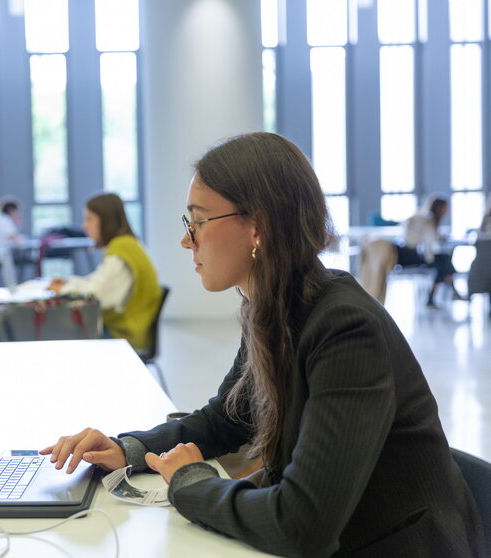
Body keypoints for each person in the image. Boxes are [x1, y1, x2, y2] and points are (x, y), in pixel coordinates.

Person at [41, 133, 485, 558]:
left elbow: (302, 525)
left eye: (197, 222)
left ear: (258, 227)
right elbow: (227, 418)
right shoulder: (275, 308)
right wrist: (129, 449)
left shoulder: (346, 328)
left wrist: (191, 482)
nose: (186, 240)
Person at [48, 193, 161, 352]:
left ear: (106, 220)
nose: (84, 226)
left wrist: (64, 289)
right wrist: (69, 284)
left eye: (89, 219)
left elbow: (98, 295)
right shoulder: (126, 245)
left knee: (57, 334)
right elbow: (97, 282)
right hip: (126, 328)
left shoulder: (121, 250)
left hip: (123, 334)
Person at [394, 194, 467, 308]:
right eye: (445, 208)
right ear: (440, 208)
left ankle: (437, 296)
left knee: (443, 262)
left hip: (413, 252)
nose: (447, 211)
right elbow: (429, 242)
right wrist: (433, 251)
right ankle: (448, 293)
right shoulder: (429, 219)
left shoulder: (424, 216)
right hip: (413, 255)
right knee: (443, 262)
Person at [0, 197, 25, 288]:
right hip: (5, 254)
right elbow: (15, 239)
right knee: (10, 283)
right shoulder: (6, 221)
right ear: (12, 210)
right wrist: (18, 223)